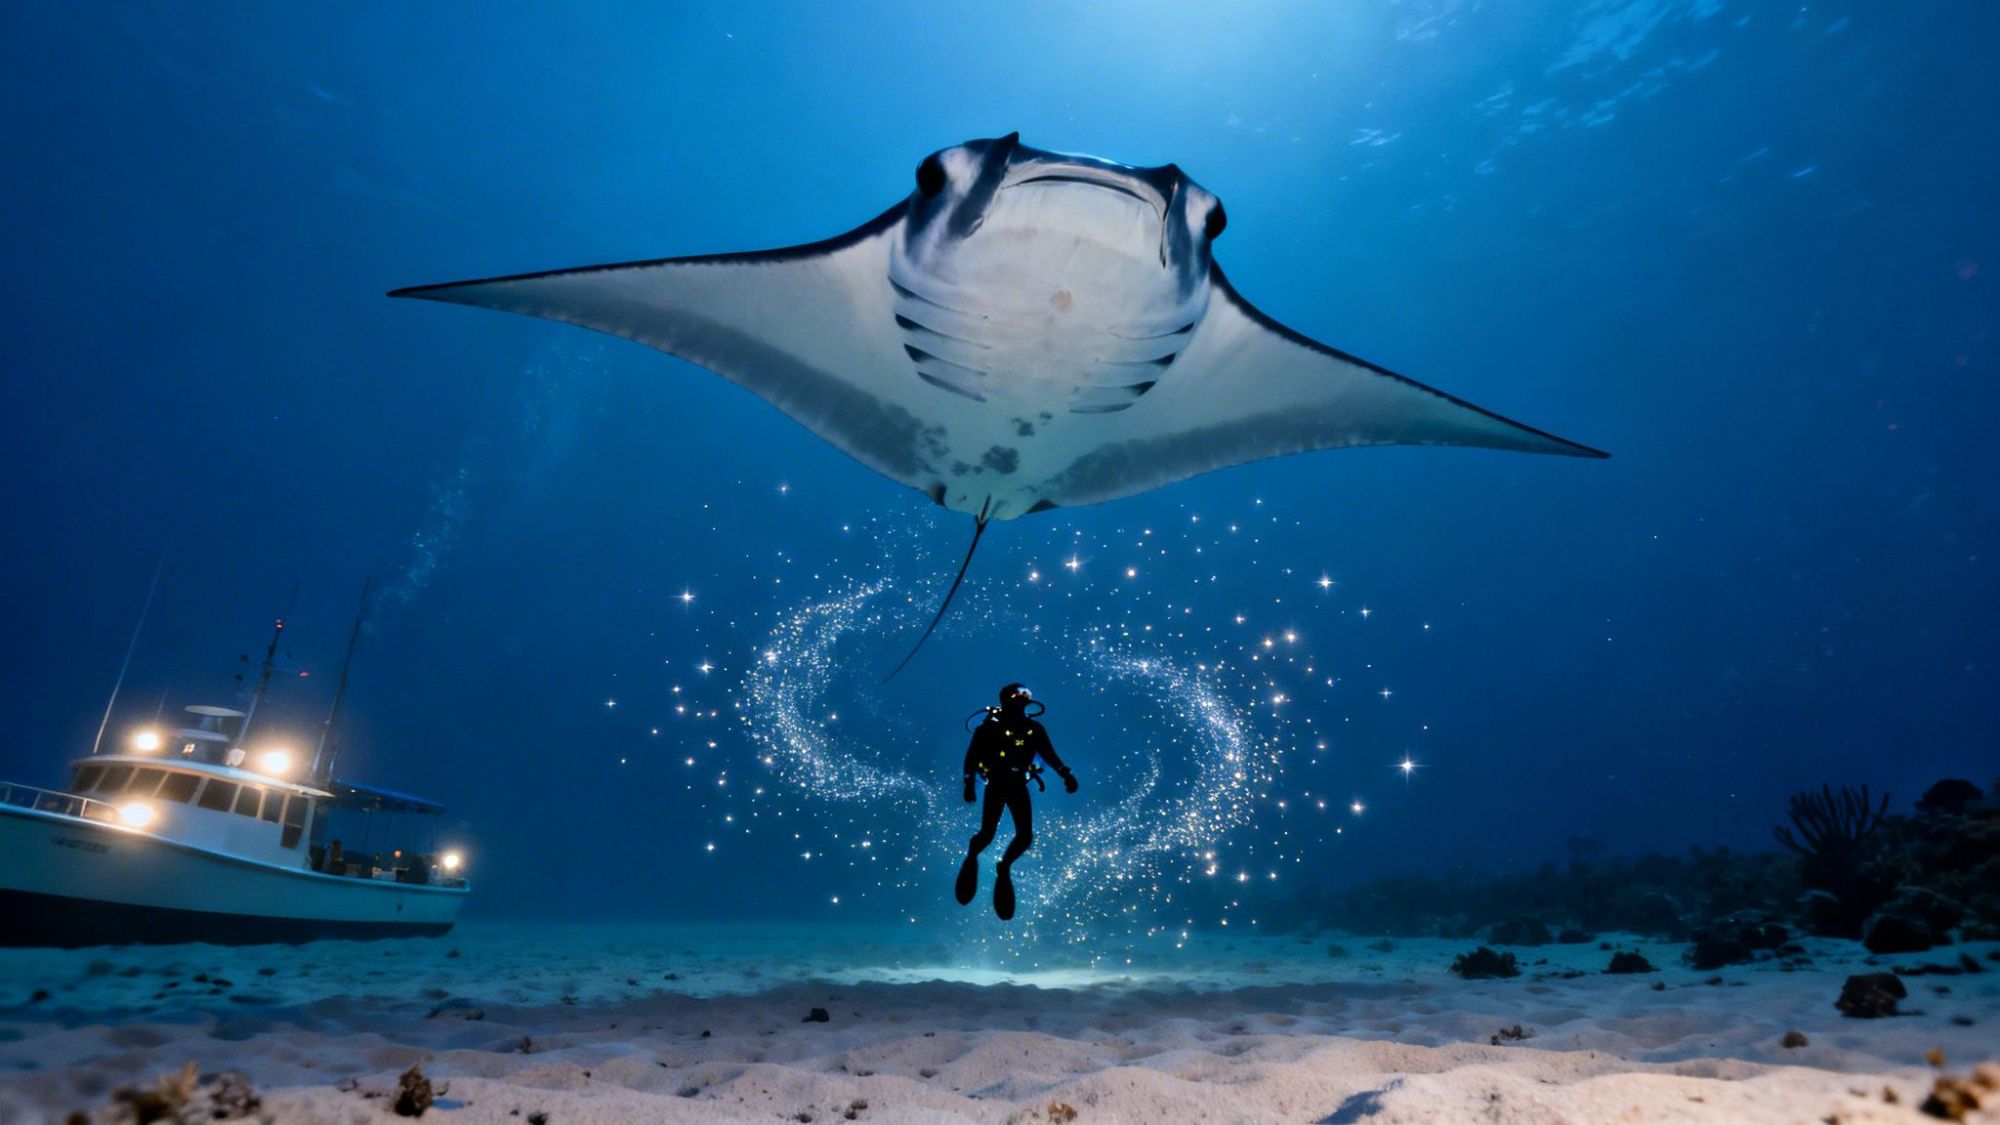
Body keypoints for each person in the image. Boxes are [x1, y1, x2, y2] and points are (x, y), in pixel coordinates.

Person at [955, 683, 1077, 920]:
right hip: (997, 783)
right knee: (987, 834)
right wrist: (968, 784)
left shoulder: (1034, 729)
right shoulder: (988, 728)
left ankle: (1004, 866)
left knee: (1025, 836)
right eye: (1017, 694)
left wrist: (1066, 773)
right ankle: (972, 856)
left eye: (1026, 695)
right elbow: (971, 757)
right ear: (1006, 699)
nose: (1023, 698)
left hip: (1018, 784)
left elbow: (1049, 754)